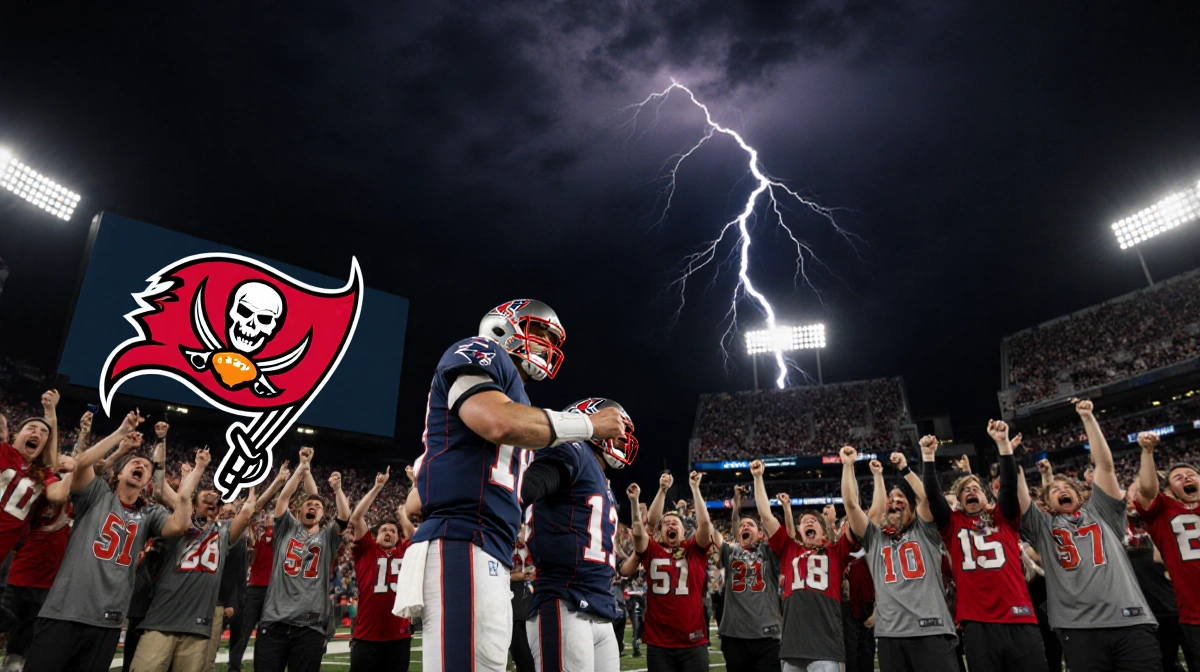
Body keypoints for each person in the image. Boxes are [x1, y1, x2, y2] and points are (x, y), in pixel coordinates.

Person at [394, 300, 624, 672]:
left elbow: (418, 499)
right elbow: (497, 421)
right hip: (466, 540)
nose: (547, 343)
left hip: (488, 546)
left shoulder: (521, 398)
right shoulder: (481, 351)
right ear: (505, 327)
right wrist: (588, 426)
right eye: (540, 332)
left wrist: (435, 475)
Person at [25, 410, 199, 672]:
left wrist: (191, 482)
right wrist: (120, 434)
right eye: (135, 463)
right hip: (65, 610)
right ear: (118, 474)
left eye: (146, 466)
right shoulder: (97, 493)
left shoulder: (150, 514)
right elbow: (82, 463)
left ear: (148, 483)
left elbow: (182, 524)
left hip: (108, 620)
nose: (141, 465)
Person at [1018, 399, 1159, 671]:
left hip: (1130, 620)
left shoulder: (1102, 512)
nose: (1061, 489)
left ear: (1079, 494)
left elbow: (1105, 467)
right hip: (1079, 627)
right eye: (1054, 488)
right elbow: (1020, 498)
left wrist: (1088, 417)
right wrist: (1010, 455)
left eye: (1066, 485)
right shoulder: (1043, 527)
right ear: (1046, 505)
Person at [520, 398, 639, 672]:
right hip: (565, 598)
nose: (622, 439)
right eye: (618, 428)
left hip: (600, 605)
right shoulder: (573, 449)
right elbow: (528, 487)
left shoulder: (602, 480)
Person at [921, 424, 1044, 672]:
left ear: (987, 497)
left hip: (1018, 614)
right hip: (976, 621)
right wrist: (928, 457)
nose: (970, 490)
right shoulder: (952, 524)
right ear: (958, 502)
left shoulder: (1004, 517)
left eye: (975, 488)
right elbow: (933, 497)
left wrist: (1003, 446)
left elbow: (1008, 488)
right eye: (964, 490)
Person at [129, 450, 255, 672]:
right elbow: (173, 495)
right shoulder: (180, 523)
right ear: (194, 506)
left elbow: (246, 514)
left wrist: (254, 487)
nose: (212, 500)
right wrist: (196, 469)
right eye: (206, 496)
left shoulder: (223, 532)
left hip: (197, 623)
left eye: (216, 500)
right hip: (162, 617)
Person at [840, 446, 958, 672]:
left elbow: (926, 497)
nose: (895, 502)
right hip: (890, 636)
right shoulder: (874, 538)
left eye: (901, 497)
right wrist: (847, 466)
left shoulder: (925, 532)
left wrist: (905, 469)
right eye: (891, 499)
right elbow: (851, 505)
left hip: (930, 631)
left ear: (913, 509)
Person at [749, 460, 855, 672]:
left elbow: (853, 508)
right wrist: (758, 478)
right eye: (803, 521)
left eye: (813, 521)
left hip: (826, 648)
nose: (807, 522)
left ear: (824, 531)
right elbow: (765, 516)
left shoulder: (836, 551)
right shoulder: (790, 549)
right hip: (792, 647)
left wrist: (848, 466)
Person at [254, 447, 350, 672]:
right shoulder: (286, 529)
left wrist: (337, 490)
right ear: (298, 512)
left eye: (318, 506)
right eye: (309, 504)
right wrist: (301, 467)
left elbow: (344, 517)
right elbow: (284, 498)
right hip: (274, 621)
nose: (313, 506)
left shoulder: (327, 537)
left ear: (322, 515)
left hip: (310, 624)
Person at [226, 461, 314, 672]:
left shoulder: (288, 533)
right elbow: (256, 509)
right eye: (267, 514)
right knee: (243, 632)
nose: (269, 516)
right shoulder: (256, 529)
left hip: (276, 591)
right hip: (254, 588)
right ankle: (233, 667)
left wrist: (302, 473)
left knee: (267, 635)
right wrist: (276, 483)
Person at [622, 471, 713, 672]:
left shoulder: (694, 550)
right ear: (660, 532)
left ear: (684, 531)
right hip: (659, 642)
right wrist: (635, 502)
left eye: (675, 523)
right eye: (666, 523)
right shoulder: (652, 549)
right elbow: (639, 529)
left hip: (693, 640)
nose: (671, 524)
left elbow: (705, 524)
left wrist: (695, 489)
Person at [1132, 430, 1200, 667]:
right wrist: (1148, 452)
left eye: (1191, 474)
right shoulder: (1165, 512)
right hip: (1194, 613)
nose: (1186, 478)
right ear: (1169, 490)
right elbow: (1148, 490)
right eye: (1178, 477)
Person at [714, 467, 781, 672]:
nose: (745, 527)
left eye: (750, 525)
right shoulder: (730, 551)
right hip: (735, 636)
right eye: (742, 525)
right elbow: (731, 525)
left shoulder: (769, 551)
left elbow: (769, 521)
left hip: (766, 634)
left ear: (761, 533)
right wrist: (736, 501)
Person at [347, 467, 413, 672]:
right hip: (367, 634)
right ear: (374, 536)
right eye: (384, 529)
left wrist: (414, 484)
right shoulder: (367, 549)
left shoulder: (405, 549)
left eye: (393, 531)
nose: (389, 532)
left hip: (399, 634)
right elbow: (356, 517)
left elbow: (412, 530)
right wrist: (377, 487)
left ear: (398, 537)